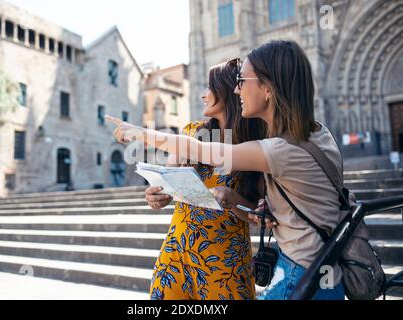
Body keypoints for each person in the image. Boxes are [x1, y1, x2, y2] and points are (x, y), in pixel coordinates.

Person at [107, 40, 346, 300]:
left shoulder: (274, 149)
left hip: (277, 269)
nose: (237, 89)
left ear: (267, 88)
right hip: (304, 267)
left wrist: (139, 132)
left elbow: (202, 151)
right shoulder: (317, 134)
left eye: (242, 81)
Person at [144, 59, 265, 300]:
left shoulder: (255, 146)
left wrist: (232, 198)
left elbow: (257, 216)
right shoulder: (191, 131)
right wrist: (156, 196)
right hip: (177, 253)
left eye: (209, 87)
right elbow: (166, 181)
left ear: (228, 90)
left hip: (225, 263)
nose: (203, 94)